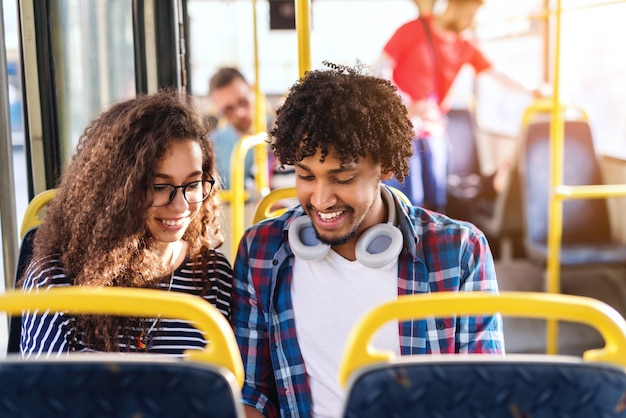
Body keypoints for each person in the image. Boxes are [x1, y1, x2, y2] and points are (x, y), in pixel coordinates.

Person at [231, 62, 504, 418]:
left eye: (342, 178)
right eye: (305, 175)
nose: (321, 199)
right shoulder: (261, 252)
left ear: (385, 167)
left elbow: (483, 394)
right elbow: (252, 394)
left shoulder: (460, 251)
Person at [20, 90, 233, 358]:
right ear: (115, 190)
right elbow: (43, 396)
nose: (181, 205)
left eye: (192, 184)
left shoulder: (212, 277)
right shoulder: (57, 281)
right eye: (159, 186)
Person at [376, 0, 546, 212]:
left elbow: (498, 73)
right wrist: (405, 104)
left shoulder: (465, 44)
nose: (471, 21)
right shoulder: (412, 30)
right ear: (453, 6)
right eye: (469, 14)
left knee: (436, 200)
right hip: (403, 128)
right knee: (407, 198)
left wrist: (534, 89)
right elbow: (380, 71)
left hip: (434, 129)